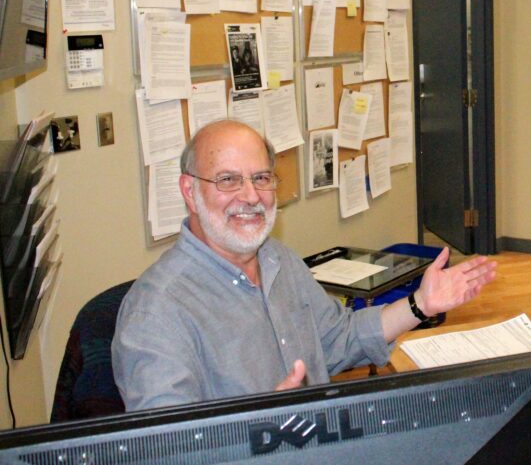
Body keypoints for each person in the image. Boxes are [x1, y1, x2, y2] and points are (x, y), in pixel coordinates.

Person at [113, 119, 497, 411]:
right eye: (228, 180)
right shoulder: (155, 313)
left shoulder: (279, 260)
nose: (250, 196)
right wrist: (260, 423)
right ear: (189, 192)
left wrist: (420, 304)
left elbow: (339, 339)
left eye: (261, 178)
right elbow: (166, 449)